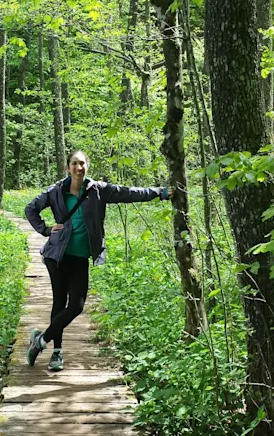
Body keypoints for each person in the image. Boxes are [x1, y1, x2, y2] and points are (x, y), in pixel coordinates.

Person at [24, 150, 173, 371]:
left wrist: (160, 192)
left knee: (76, 306)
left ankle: (41, 340)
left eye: (82, 163)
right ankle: (57, 352)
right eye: (74, 164)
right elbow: (31, 209)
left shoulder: (98, 190)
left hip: (80, 256)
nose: (78, 168)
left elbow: (128, 193)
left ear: (87, 166)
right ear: (68, 167)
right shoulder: (56, 191)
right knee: (59, 302)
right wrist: (46, 229)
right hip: (57, 255)